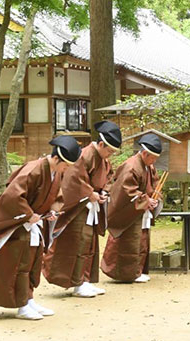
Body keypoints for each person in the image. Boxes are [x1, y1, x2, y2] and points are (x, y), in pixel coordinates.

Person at [0, 136, 81, 320]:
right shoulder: (34, 169)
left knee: (33, 261)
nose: (66, 170)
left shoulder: (55, 172)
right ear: (56, 159)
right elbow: (12, 195)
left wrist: (52, 210)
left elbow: (56, 196)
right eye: (66, 166)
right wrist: (28, 214)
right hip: (20, 224)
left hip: (34, 223)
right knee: (21, 263)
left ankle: (29, 299)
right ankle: (22, 305)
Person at [43, 121, 120, 298]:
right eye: (109, 151)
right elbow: (72, 178)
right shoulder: (85, 155)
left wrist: (103, 193)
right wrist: (89, 193)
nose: (110, 155)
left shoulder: (101, 158)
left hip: (90, 205)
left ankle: (85, 280)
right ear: (101, 144)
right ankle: (77, 283)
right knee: (79, 243)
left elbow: (109, 177)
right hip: (79, 206)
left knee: (90, 243)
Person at [101, 133, 161, 283]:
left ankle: (137, 270)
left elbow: (154, 185)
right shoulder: (131, 166)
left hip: (141, 208)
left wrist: (155, 198)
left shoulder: (149, 166)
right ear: (145, 153)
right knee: (130, 240)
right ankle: (125, 273)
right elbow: (126, 190)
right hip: (130, 209)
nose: (154, 161)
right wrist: (145, 200)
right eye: (152, 158)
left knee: (141, 240)